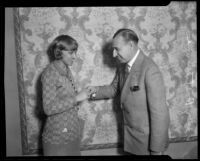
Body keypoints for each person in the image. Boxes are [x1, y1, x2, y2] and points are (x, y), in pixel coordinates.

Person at [86, 28, 170, 155]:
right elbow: (114, 89)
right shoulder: (123, 66)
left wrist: (156, 150)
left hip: (146, 143)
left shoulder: (149, 69)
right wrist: (92, 91)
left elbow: (160, 114)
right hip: (131, 139)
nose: (114, 54)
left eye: (117, 49)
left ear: (131, 45)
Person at [41, 35, 87, 156]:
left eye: (75, 52)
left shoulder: (66, 69)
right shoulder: (49, 73)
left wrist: (84, 93)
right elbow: (48, 108)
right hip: (58, 136)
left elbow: (64, 96)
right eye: (71, 52)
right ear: (59, 52)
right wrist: (77, 98)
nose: (75, 56)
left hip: (72, 131)